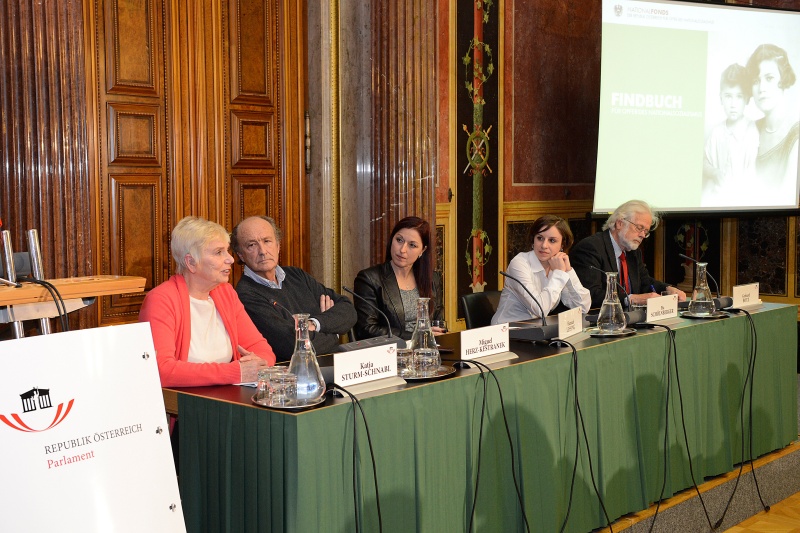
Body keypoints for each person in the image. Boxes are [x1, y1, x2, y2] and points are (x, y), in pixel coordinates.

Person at [139, 216, 275, 387]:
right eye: (219, 252)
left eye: (227, 250)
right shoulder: (161, 299)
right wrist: (234, 372)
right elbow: (161, 370)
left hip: (227, 399)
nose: (230, 259)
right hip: (184, 407)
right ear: (191, 262)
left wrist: (258, 363)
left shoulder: (226, 293)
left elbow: (263, 350)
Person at [232, 216, 357, 361]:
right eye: (252, 245)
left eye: (267, 241)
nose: (263, 251)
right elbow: (292, 345)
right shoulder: (245, 295)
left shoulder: (296, 275)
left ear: (278, 246)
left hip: (334, 367)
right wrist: (334, 331)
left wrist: (314, 324)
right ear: (241, 255)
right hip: (292, 377)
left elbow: (348, 310)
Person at [571, 200, 686, 309]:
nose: (642, 235)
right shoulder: (591, 248)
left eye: (646, 231)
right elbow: (591, 295)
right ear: (620, 223)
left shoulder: (633, 251)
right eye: (639, 228)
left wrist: (668, 289)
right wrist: (630, 299)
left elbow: (645, 282)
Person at [353, 216, 444, 340]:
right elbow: (367, 329)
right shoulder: (369, 279)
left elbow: (438, 322)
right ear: (392, 240)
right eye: (399, 240)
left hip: (426, 352)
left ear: (422, 250)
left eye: (412, 245)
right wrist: (417, 336)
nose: (402, 250)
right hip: (389, 352)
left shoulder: (433, 278)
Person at [491, 215, 591, 324]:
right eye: (540, 238)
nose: (544, 245)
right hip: (507, 331)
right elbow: (540, 309)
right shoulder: (519, 263)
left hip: (536, 330)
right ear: (533, 240)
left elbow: (583, 307)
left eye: (552, 240)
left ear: (562, 245)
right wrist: (559, 274)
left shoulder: (558, 266)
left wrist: (568, 270)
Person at [746, 43, 799, 202]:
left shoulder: (796, 134)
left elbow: (785, 197)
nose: (761, 88)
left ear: (783, 80)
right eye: (756, 81)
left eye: (769, 78)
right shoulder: (750, 128)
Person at [702, 63, 759, 207]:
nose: (733, 104)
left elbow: (752, 175)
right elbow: (704, 161)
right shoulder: (716, 132)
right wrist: (714, 173)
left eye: (739, 97)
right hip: (716, 202)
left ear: (747, 99)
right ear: (721, 98)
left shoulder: (752, 131)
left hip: (742, 202)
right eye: (728, 96)